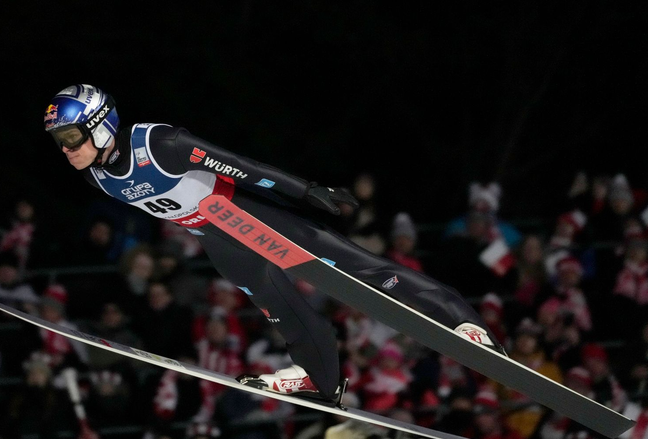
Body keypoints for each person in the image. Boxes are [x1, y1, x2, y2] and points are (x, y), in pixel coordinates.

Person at [43, 84, 506, 402]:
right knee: (280, 307)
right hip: (215, 238)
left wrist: (306, 191)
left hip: (247, 212)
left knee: (359, 268)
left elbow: (241, 166)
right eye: (58, 141)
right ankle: (321, 378)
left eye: (69, 136)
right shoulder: (97, 178)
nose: (65, 149)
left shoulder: (159, 143)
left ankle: (461, 321)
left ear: (101, 124)